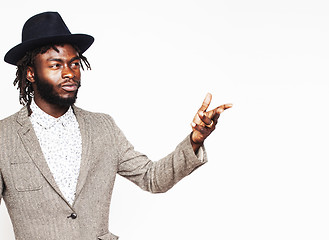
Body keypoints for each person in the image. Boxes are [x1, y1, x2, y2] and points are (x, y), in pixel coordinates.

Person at [0, 12, 232, 240]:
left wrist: (195, 140)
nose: (70, 73)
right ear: (31, 73)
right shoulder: (4, 137)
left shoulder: (103, 127)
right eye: (56, 65)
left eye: (74, 63)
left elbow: (152, 178)